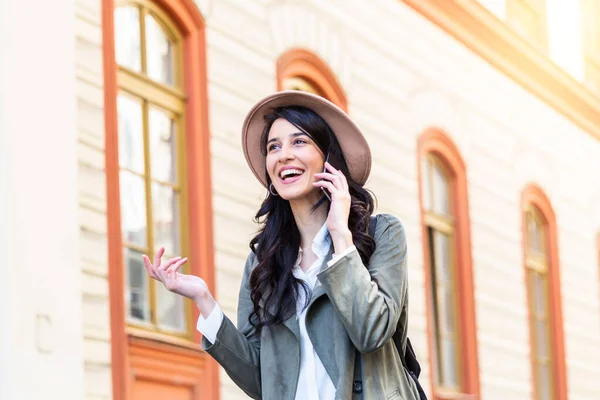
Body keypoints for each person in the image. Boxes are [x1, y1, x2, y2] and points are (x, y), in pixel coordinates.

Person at [142, 90, 420, 399]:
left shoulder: (382, 234)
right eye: (274, 147)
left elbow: (372, 332)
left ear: (330, 160)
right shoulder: (264, 261)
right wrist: (205, 301)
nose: (283, 154)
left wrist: (341, 235)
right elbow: (261, 379)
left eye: (299, 142)